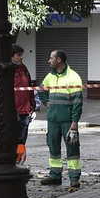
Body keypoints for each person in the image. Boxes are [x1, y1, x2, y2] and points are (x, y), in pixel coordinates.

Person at [36, 50, 83, 189]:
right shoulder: (49, 76)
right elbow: (41, 90)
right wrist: (46, 102)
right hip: (52, 119)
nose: (48, 61)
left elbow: (77, 102)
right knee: (53, 146)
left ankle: (74, 178)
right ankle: (55, 175)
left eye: (51, 58)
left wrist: (75, 122)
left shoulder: (73, 77)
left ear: (59, 60)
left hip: (67, 120)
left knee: (72, 148)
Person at [12, 45, 35, 164]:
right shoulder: (8, 71)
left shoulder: (24, 69)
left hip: (25, 112)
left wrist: (32, 104)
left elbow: (29, 88)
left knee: (22, 141)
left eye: (22, 54)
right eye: (18, 55)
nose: (22, 57)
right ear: (11, 56)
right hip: (13, 113)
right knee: (13, 141)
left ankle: (19, 163)